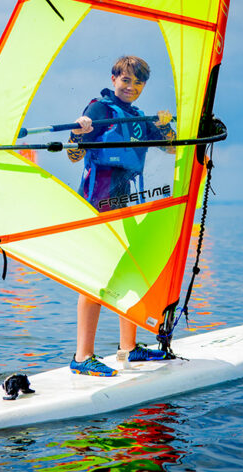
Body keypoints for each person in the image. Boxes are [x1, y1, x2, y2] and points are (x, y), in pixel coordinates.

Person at [67, 55, 176, 376]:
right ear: (114, 78)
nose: (131, 87)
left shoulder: (139, 118)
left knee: (132, 271)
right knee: (96, 278)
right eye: (126, 80)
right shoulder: (98, 110)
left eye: (138, 82)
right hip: (97, 200)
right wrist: (78, 133)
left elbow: (171, 148)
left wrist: (165, 126)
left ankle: (128, 348)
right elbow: (75, 156)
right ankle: (82, 356)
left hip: (127, 200)